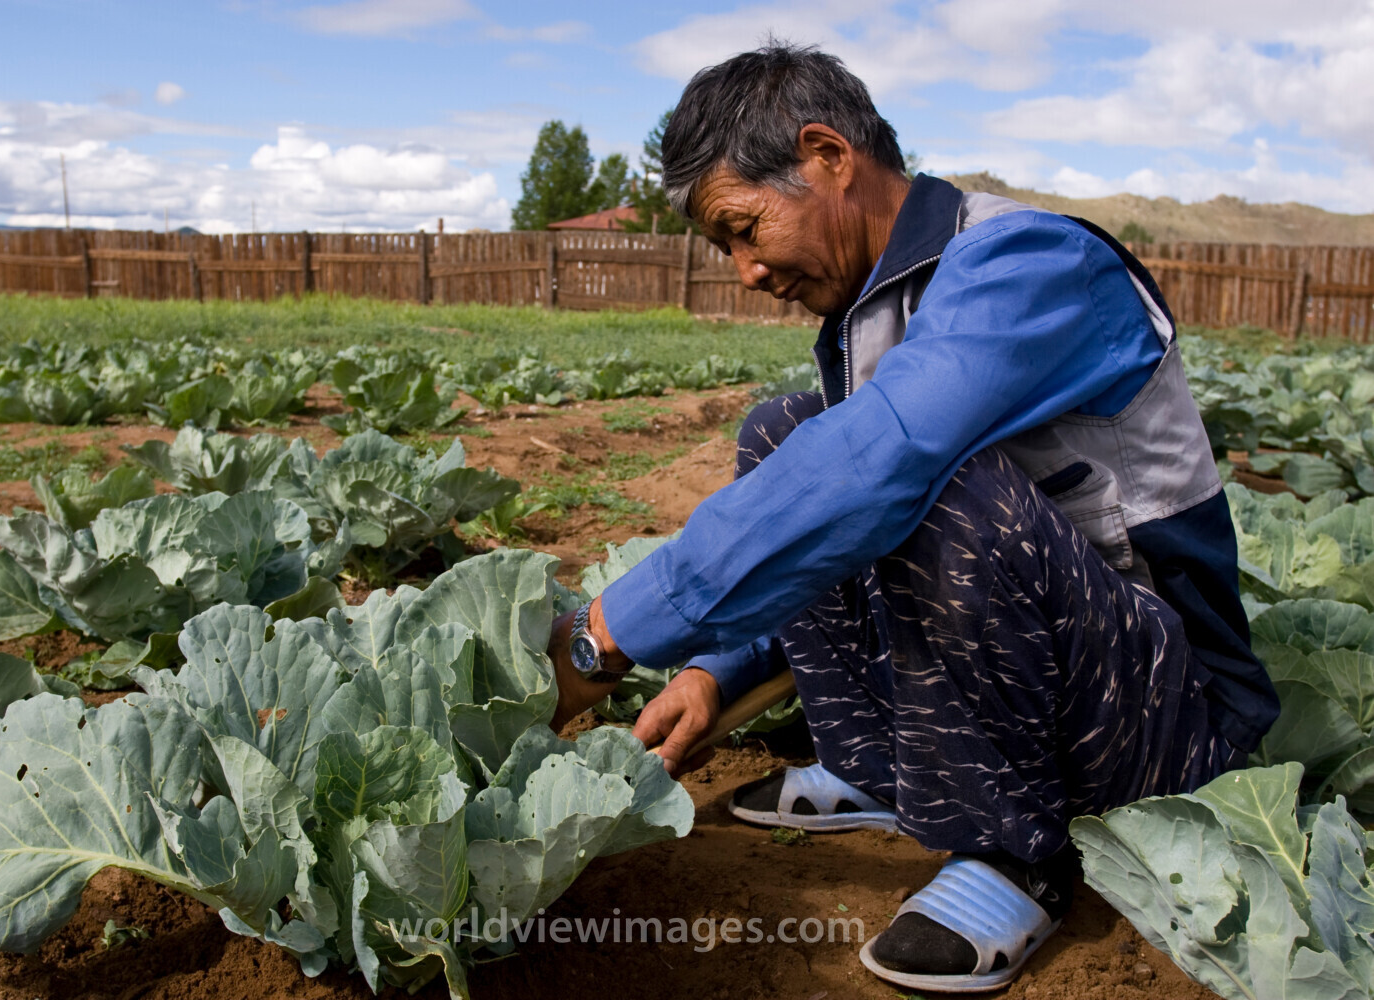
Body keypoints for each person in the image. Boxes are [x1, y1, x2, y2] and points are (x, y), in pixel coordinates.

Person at [545, 41, 1277, 994]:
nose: (746, 272)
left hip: (1163, 713)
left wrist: (604, 636)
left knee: (916, 476)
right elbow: (829, 499)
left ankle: (1014, 849)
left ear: (828, 157)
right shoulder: (876, 299)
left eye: (744, 228)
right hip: (1053, 682)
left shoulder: (1030, 259)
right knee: (787, 434)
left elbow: (879, 466)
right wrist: (717, 671)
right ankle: (891, 774)